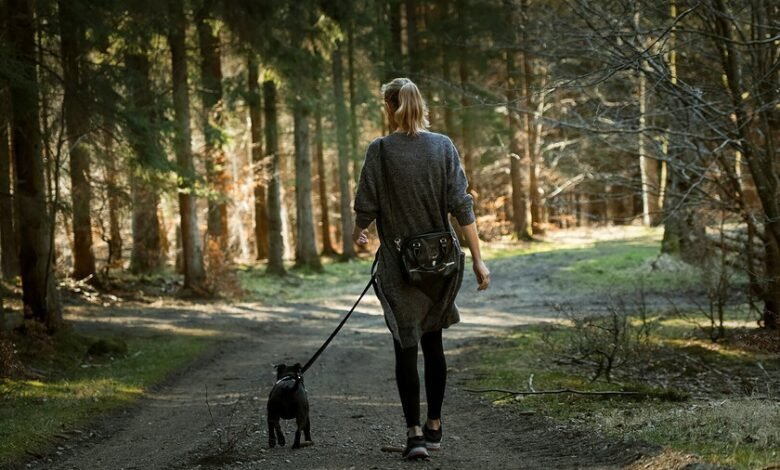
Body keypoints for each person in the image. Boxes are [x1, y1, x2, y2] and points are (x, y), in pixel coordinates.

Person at [352, 77, 490, 460]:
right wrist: (478, 258)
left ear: (389, 107)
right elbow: (462, 206)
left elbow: (366, 205)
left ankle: (413, 434)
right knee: (434, 343)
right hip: (442, 263)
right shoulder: (443, 147)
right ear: (419, 104)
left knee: (405, 346)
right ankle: (434, 426)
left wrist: (358, 234)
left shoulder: (379, 151)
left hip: (399, 266)